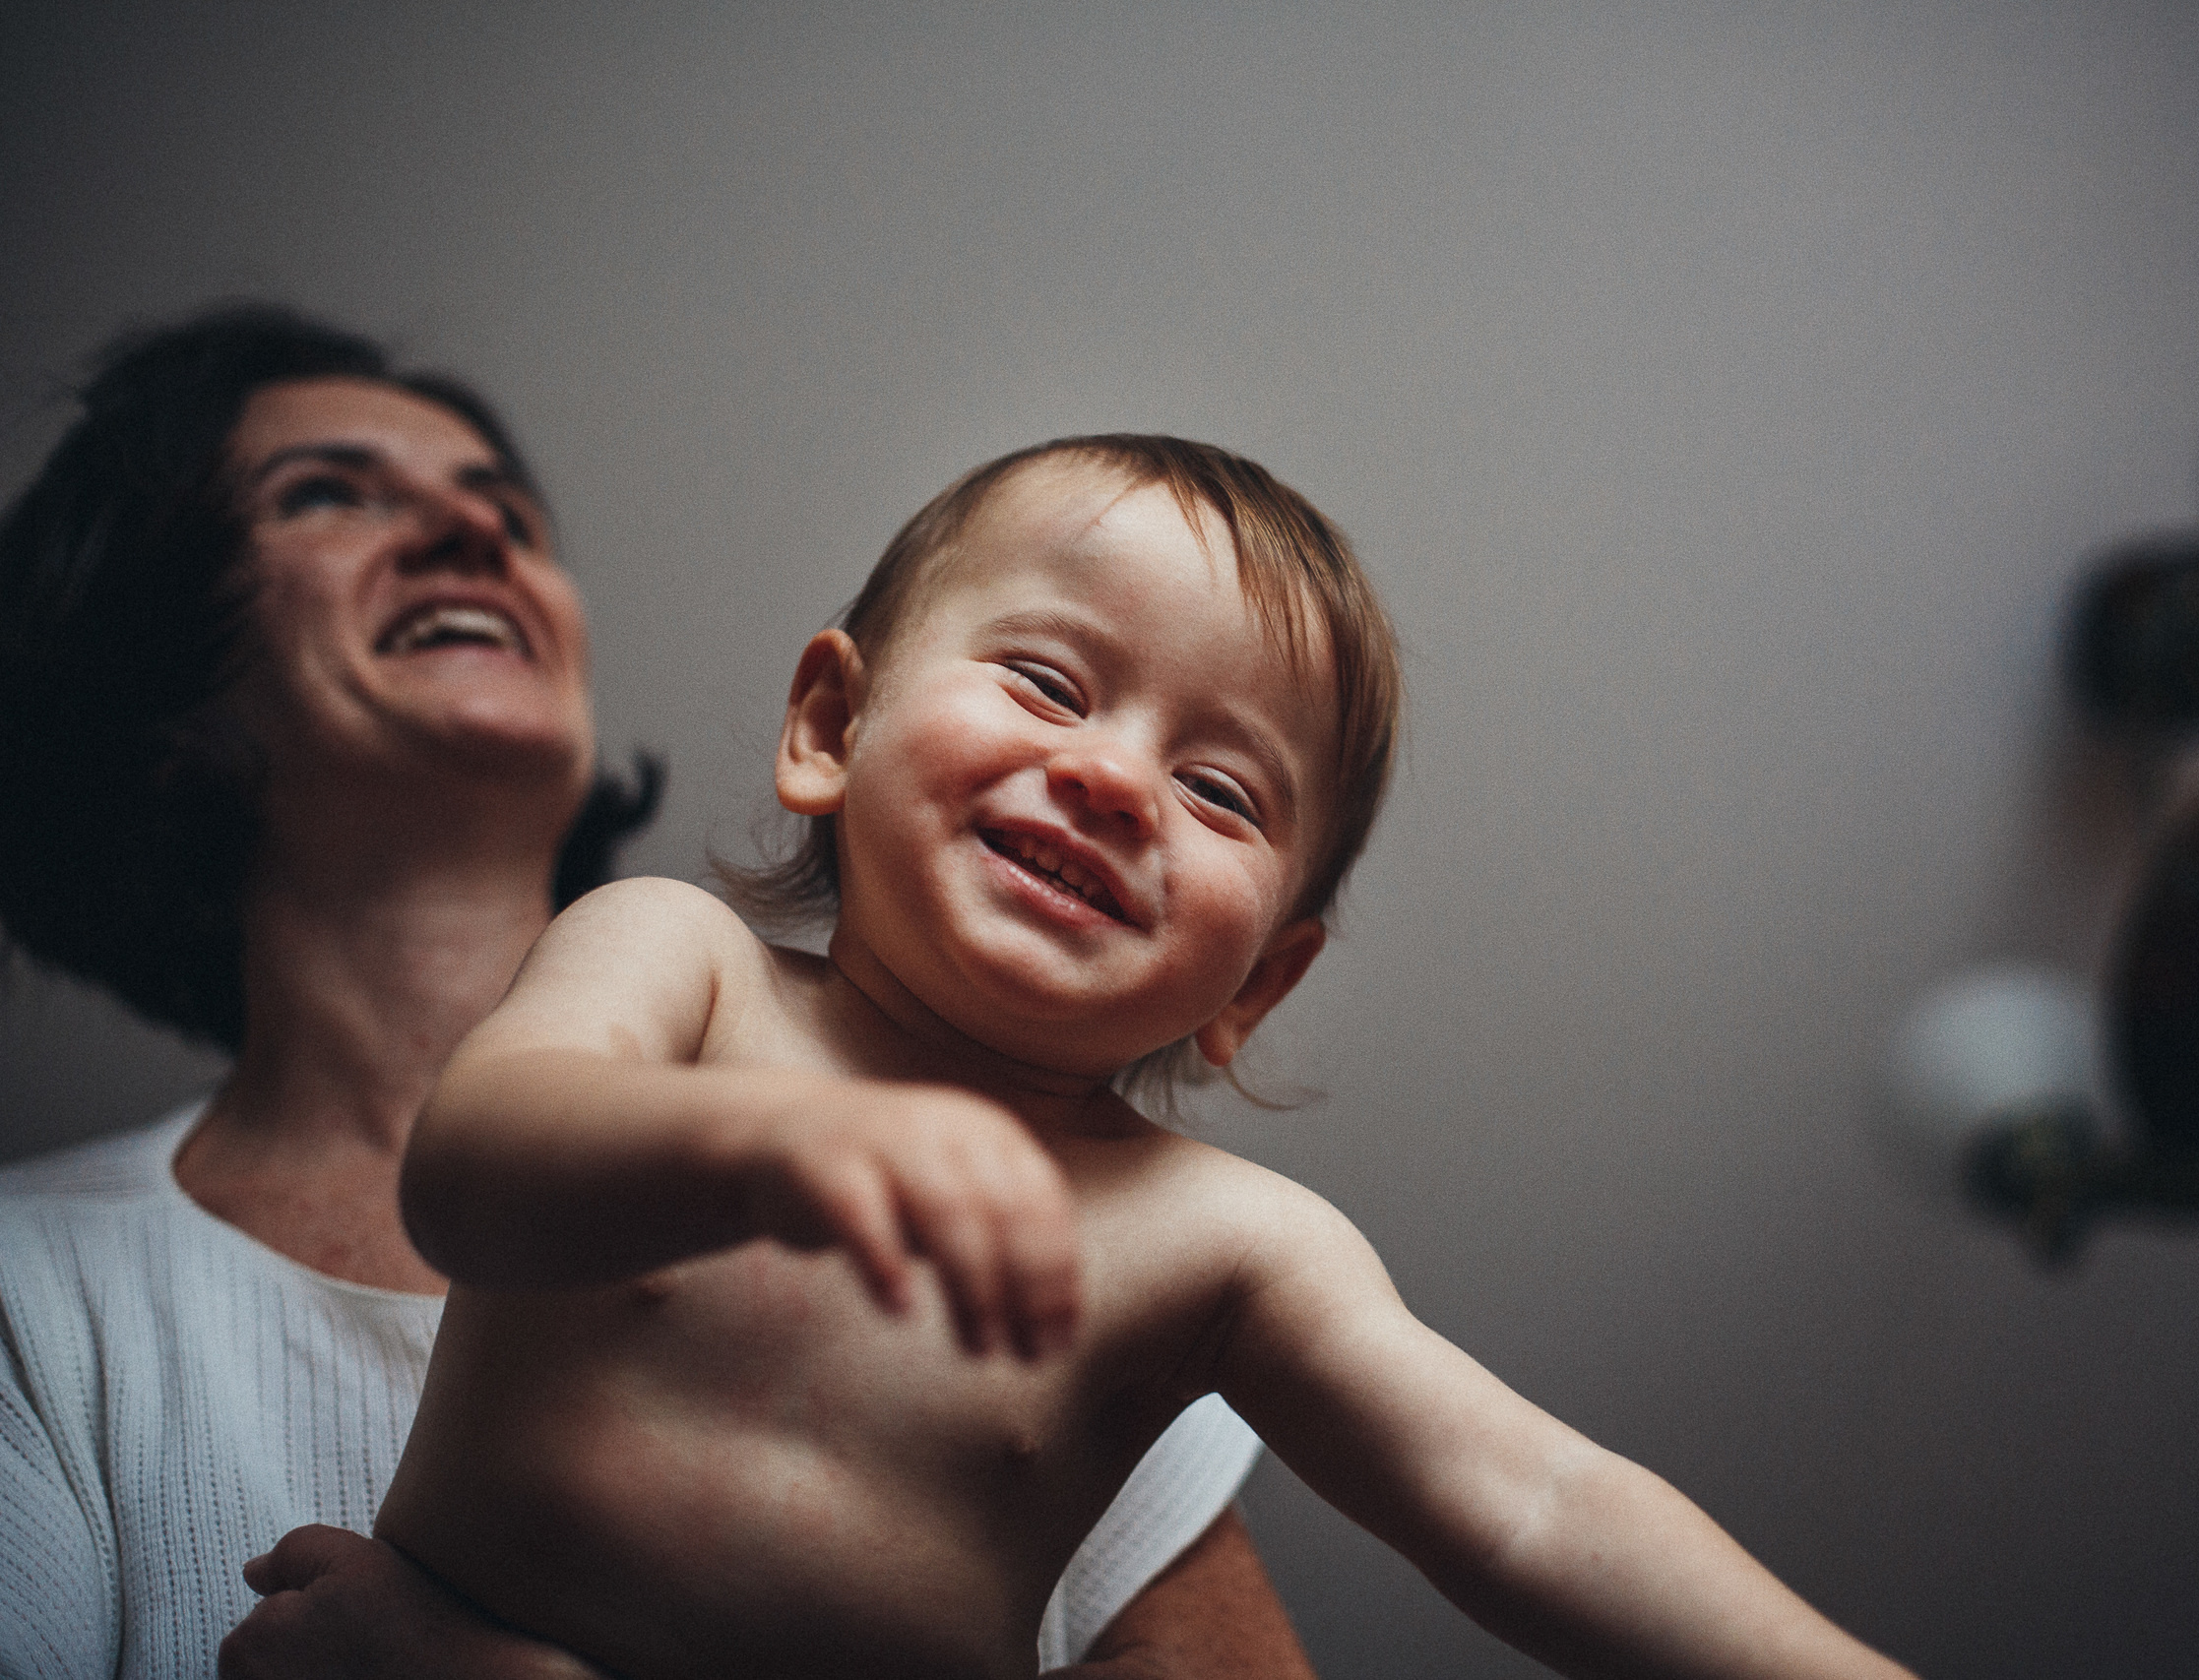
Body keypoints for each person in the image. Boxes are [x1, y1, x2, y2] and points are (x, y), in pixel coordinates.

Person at [374, 434, 1917, 1679]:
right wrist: (780, 1150)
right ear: (833, 725)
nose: (1115, 778)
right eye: (1049, 684)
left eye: (1223, 790)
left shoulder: (1219, 1239)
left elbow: (1535, 1504)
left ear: (1262, 980)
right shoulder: (684, 963)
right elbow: (469, 1170)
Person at [0, 307, 1316, 1679]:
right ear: (141, 682)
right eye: (326, 494)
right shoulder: (33, 1295)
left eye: (505, 509)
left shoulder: (1056, 1251)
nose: (473, 531)